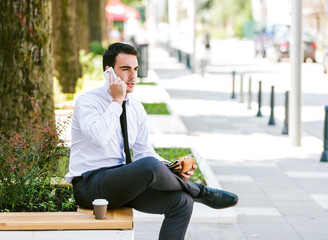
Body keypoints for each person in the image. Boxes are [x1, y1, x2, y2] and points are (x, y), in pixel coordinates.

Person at [65, 42, 238, 240]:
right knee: (148, 167)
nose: (133, 76)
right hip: (90, 186)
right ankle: (202, 192)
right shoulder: (88, 102)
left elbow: (144, 152)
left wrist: (173, 167)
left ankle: (193, 194)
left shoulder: (136, 107)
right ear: (109, 72)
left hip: (122, 183)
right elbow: (99, 138)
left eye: (135, 69)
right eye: (126, 69)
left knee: (182, 201)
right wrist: (117, 101)